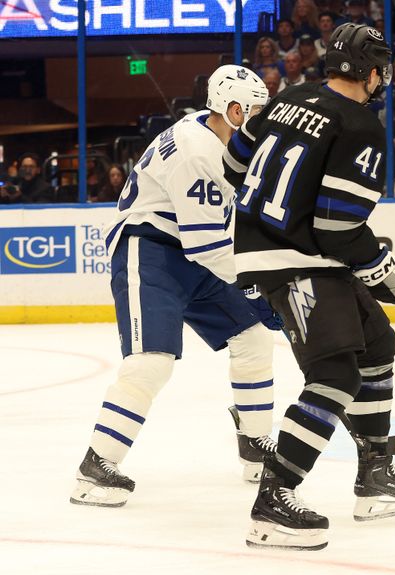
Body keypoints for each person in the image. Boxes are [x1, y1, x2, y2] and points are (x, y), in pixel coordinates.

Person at [222, 23, 395, 550]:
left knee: (378, 341)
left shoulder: (291, 95)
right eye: (381, 68)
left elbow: (234, 161)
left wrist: (370, 261)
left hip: (290, 249)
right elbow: (337, 228)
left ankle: (375, 474)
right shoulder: (358, 125)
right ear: (371, 71)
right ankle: (274, 500)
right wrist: (382, 268)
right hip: (296, 259)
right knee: (334, 375)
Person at [70, 66, 277, 508]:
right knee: (151, 363)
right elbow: (210, 247)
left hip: (191, 250)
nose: (263, 120)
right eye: (257, 112)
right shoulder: (197, 150)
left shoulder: (214, 133)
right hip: (152, 251)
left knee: (253, 338)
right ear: (234, 110)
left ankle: (256, 446)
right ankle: (95, 465)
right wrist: (260, 287)